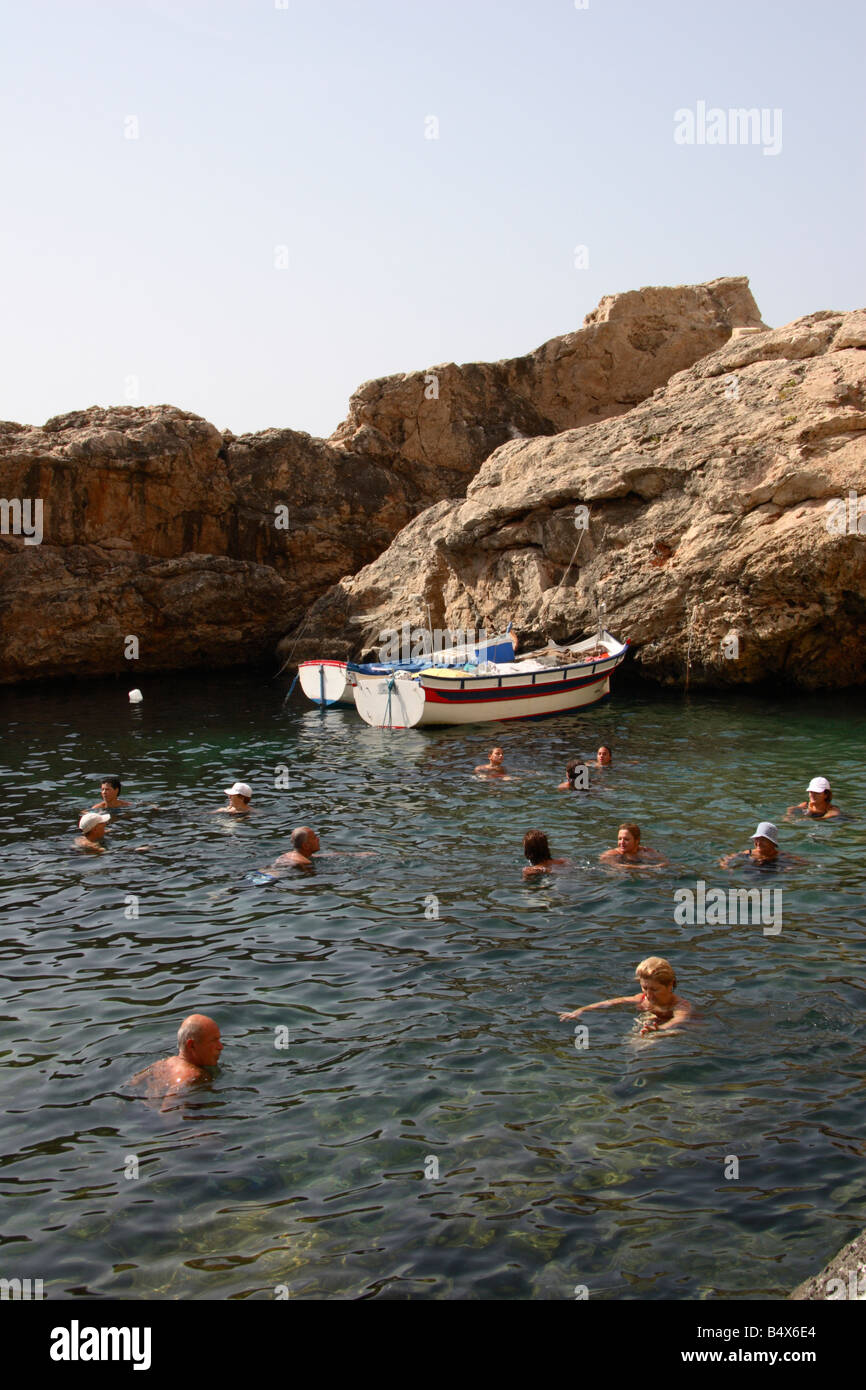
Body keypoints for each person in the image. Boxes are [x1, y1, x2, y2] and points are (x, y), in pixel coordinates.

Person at [558, 956, 691, 1034]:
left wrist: (659, 1029)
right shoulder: (641, 999)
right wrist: (581, 1010)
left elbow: (678, 1021)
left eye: (655, 990)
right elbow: (611, 1002)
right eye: (644, 988)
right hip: (650, 1026)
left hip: (672, 1031)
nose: (649, 995)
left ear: (670, 985)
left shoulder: (680, 1005)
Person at [129, 1014, 223, 1100]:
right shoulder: (193, 1077)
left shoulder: (163, 1063)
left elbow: (132, 1083)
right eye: (213, 1041)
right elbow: (168, 1112)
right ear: (192, 1045)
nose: (220, 1047)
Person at [720, 821, 804, 869]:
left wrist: (790, 868)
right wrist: (726, 866)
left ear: (772, 843)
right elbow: (728, 858)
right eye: (757, 839)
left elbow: (803, 863)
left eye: (763, 840)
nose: (759, 843)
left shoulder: (781, 855)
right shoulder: (749, 853)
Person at [600, 823, 667, 867]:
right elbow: (615, 866)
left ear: (637, 840)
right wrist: (645, 868)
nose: (622, 842)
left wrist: (660, 865)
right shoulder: (611, 854)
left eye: (626, 839)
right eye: (620, 839)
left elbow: (665, 861)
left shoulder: (645, 851)